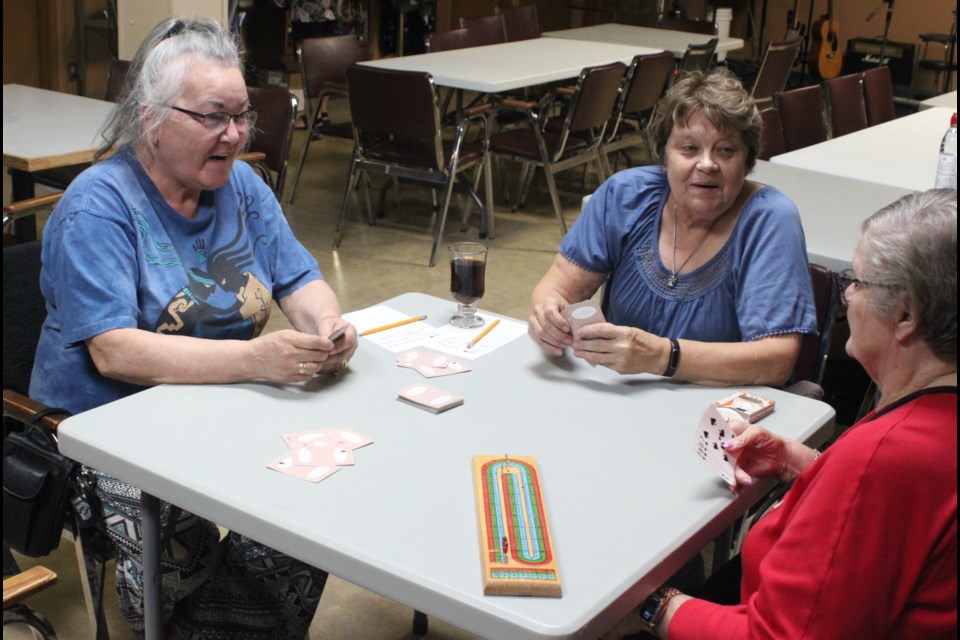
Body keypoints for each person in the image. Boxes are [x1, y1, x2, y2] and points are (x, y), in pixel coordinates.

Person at [29, 17, 357, 638]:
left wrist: (330, 324)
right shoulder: (98, 206)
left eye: (242, 116)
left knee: (324, 496)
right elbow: (113, 352)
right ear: (152, 117)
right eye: (214, 117)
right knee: (187, 534)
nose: (234, 135)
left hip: (220, 408)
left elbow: (298, 280)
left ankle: (222, 625)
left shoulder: (244, 187)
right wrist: (257, 361)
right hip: (102, 434)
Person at [640, 189, 957, 639]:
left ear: (906, 315)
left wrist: (653, 604)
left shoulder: (888, 457)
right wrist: (807, 465)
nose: (847, 294)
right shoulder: (928, 419)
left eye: (859, 281)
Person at [529, 68, 817, 386]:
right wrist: (547, 315)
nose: (707, 164)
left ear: (747, 161)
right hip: (622, 399)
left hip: (723, 414)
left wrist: (661, 357)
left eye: (726, 150)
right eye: (689, 148)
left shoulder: (769, 220)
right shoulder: (626, 196)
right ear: (664, 157)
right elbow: (556, 289)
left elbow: (776, 360)